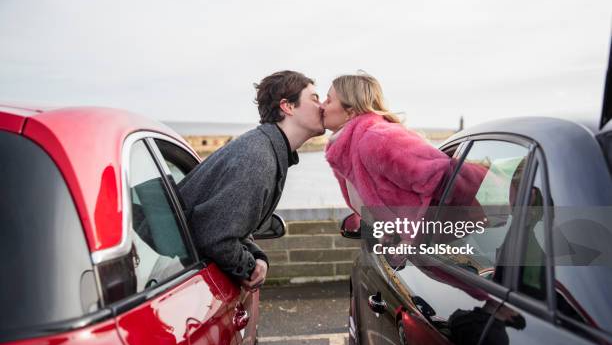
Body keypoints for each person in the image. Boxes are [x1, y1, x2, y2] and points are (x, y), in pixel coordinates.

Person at [179, 70, 324, 290]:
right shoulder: (257, 158)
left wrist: (257, 256)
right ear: (288, 106)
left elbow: (227, 225)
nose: (322, 106)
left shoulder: (263, 148)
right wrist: (249, 268)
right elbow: (217, 237)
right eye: (314, 99)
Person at [321, 73, 487, 242]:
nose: (322, 106)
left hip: (458, 241)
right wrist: (390, 232)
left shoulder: (376, 139)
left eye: (328, 100)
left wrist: (413, 238)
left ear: (350, 111)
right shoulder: (349, 150)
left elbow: (444, 177)